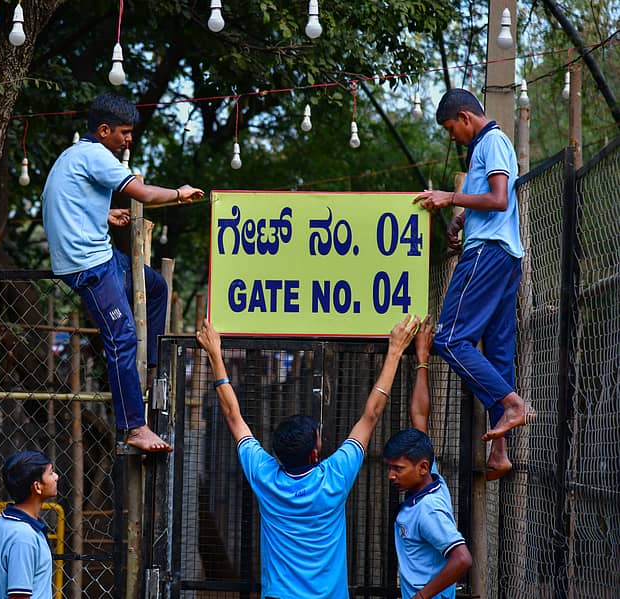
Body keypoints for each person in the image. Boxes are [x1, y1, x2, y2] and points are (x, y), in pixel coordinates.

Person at [195, 315, 419, 598]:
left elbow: (232, 415)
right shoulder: (335, 476)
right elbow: (371, 414)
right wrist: (396, 350)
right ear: (315, 453)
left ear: (276, 455)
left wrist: (215, 353)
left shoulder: (265, 476)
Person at [42, 92, 204, 453]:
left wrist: (103, 215)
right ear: (104, 130)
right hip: (88, 264)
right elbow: (142, 194)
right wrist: (179, 193)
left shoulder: (73, 155)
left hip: (98, 252)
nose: (128, 140)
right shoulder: (99, 156)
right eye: (124, 133)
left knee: (155, 286)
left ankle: (151, 367)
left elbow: (64, 203)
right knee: (122, 336)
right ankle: (134, 426)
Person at [412, 88, 534, 480]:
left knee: (449, 339)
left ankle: (513, 404)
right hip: (504, 256)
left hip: (487, 254)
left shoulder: (492, 141)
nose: (452, 136)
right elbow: (490, 198)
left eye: (451, 128)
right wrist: (461, 218)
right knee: (498, 355)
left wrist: (450, 197)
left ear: (465, 117)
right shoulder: (484, 148)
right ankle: (499, 450)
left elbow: (500, 199)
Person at [384, 317, 472, 599]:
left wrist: (421, 597)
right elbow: (419, 416)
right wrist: (423, 359)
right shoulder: (429, 478)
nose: (391, 475)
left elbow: (462, 559)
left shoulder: (428, 510)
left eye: (398, 469)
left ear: (420, 468)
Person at [0, 449, 60, 599]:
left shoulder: (1, 524)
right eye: (50, 473)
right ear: (37, 486)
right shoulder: (23, 538)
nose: (56, 477)